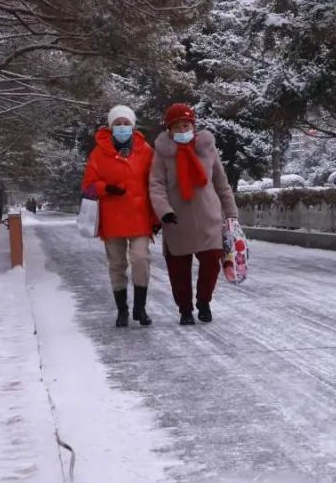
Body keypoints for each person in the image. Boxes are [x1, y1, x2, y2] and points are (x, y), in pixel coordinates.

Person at [150, 103, 239, 325]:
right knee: (179, 271)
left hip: (209, 218)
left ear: (194, 125)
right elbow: (156, 186)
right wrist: (164, 212)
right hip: (177, 220)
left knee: (211, 264)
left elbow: (221, 183)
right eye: (177, 126)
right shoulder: (162, 154)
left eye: (186, 124)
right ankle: (185, 310)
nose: (183, 130)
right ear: (169, 130)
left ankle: (204, 302)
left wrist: (231, 214)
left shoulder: (207, 149)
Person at [82, 104, 158, 328]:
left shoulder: (146, 151)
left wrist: (157, 217)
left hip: (140, 217)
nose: (122, 127)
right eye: (118, 123)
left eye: (126, 123)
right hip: (112, 218)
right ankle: (122, 310)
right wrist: (107, 188)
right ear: (111, 126)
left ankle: (140, 308)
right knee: (116, 264)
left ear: (133, 126)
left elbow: (155, 184)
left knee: (140, 260)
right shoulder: (99, 153)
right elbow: (87, 187)